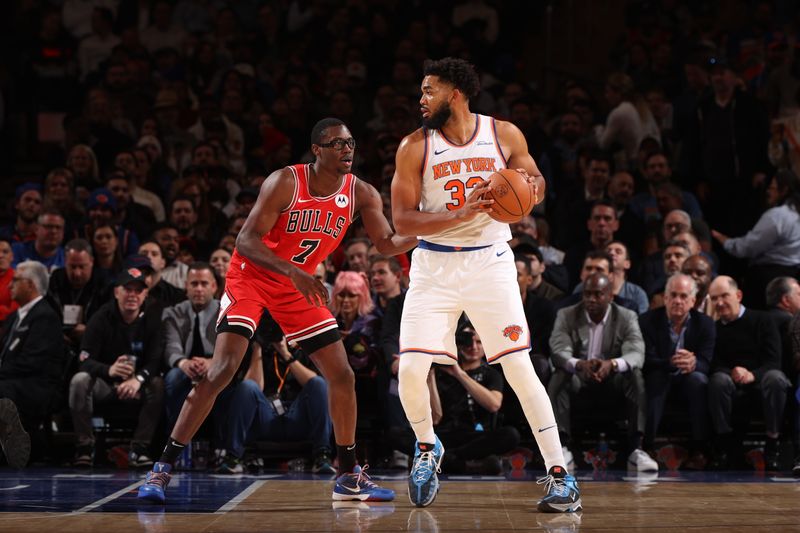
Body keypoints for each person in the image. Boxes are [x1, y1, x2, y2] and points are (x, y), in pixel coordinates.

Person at [139, 117, 416, 503]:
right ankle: (162, 468)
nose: (347, 149)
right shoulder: (285, 182)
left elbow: (386, 243)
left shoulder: (362, 194)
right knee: (220, 372)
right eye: (336, 143)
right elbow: (246, 240)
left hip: (296, 286)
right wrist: (293, 272)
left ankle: (349, 474)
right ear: (317, 150)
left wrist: (439, 228)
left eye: (350, 142)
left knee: (342, 375)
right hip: (251, 276)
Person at [391, 58, 579, 512]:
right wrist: (462, 212)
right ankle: (425, 447)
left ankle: (560, 474)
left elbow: (536, 181)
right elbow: (401, 220)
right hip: (434, 265)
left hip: (489, 263)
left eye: (429, 90)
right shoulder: (414, 146)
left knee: (519, 368)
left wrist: (526, 190)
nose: (421, 99)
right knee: (411, 371)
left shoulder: (504, 134)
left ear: (455, 92)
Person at [639, 274, 715, 469]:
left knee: (698, 380)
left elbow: (708, 362)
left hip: (689, 378)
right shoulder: (647, 321)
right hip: (660, 374)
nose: (677, 301)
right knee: (656, 378)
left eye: (683, 296)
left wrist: (694, 363)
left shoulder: (705, 324)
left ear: (693, 301)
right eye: (672, 295)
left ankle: (700, 450)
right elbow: (645, 360)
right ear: (665, 298)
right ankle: (646, 447)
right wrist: (671, 363)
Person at [0, 260, 64, 468]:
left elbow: (33, 362)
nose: (10, 285)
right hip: (14, 380)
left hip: (36, 386)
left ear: (30, 284)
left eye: (15, 280)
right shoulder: (14, 317)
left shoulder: (45, 316)